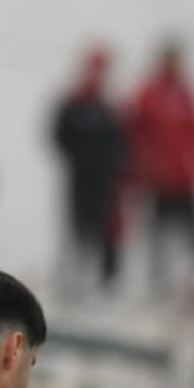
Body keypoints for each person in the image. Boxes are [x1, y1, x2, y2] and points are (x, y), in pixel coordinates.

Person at [127, 42, 194, 294]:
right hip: (159, 180)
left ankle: (193, 281)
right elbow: (134, 132)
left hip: (185, 178)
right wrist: (146, 166)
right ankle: (158, 282)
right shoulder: (148, 94)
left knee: (193, 233)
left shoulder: (185, 93)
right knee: (159, 232)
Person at [52, 46, 126, 292]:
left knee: (107, 226)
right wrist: (80, 157)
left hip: (106, 178)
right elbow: (59, 136)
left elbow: (120, 140)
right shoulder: (74, 103)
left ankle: (107, 280)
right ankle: (76, 277)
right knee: (79, 225)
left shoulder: (109, 106)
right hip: (82, 176)